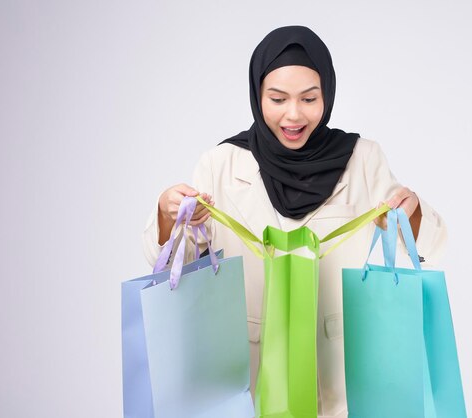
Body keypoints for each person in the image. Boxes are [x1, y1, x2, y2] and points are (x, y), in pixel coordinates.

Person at [143, 25, 447, 418]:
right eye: (277, 98)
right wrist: (174, 218)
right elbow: (168, 265)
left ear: (328, 95)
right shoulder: (221, 164)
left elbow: (432, 247)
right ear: (257, 96)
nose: (293, 114)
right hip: (250, 381)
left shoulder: (363, 159)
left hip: (342, 377)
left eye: (309, 98)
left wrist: (411, 213)